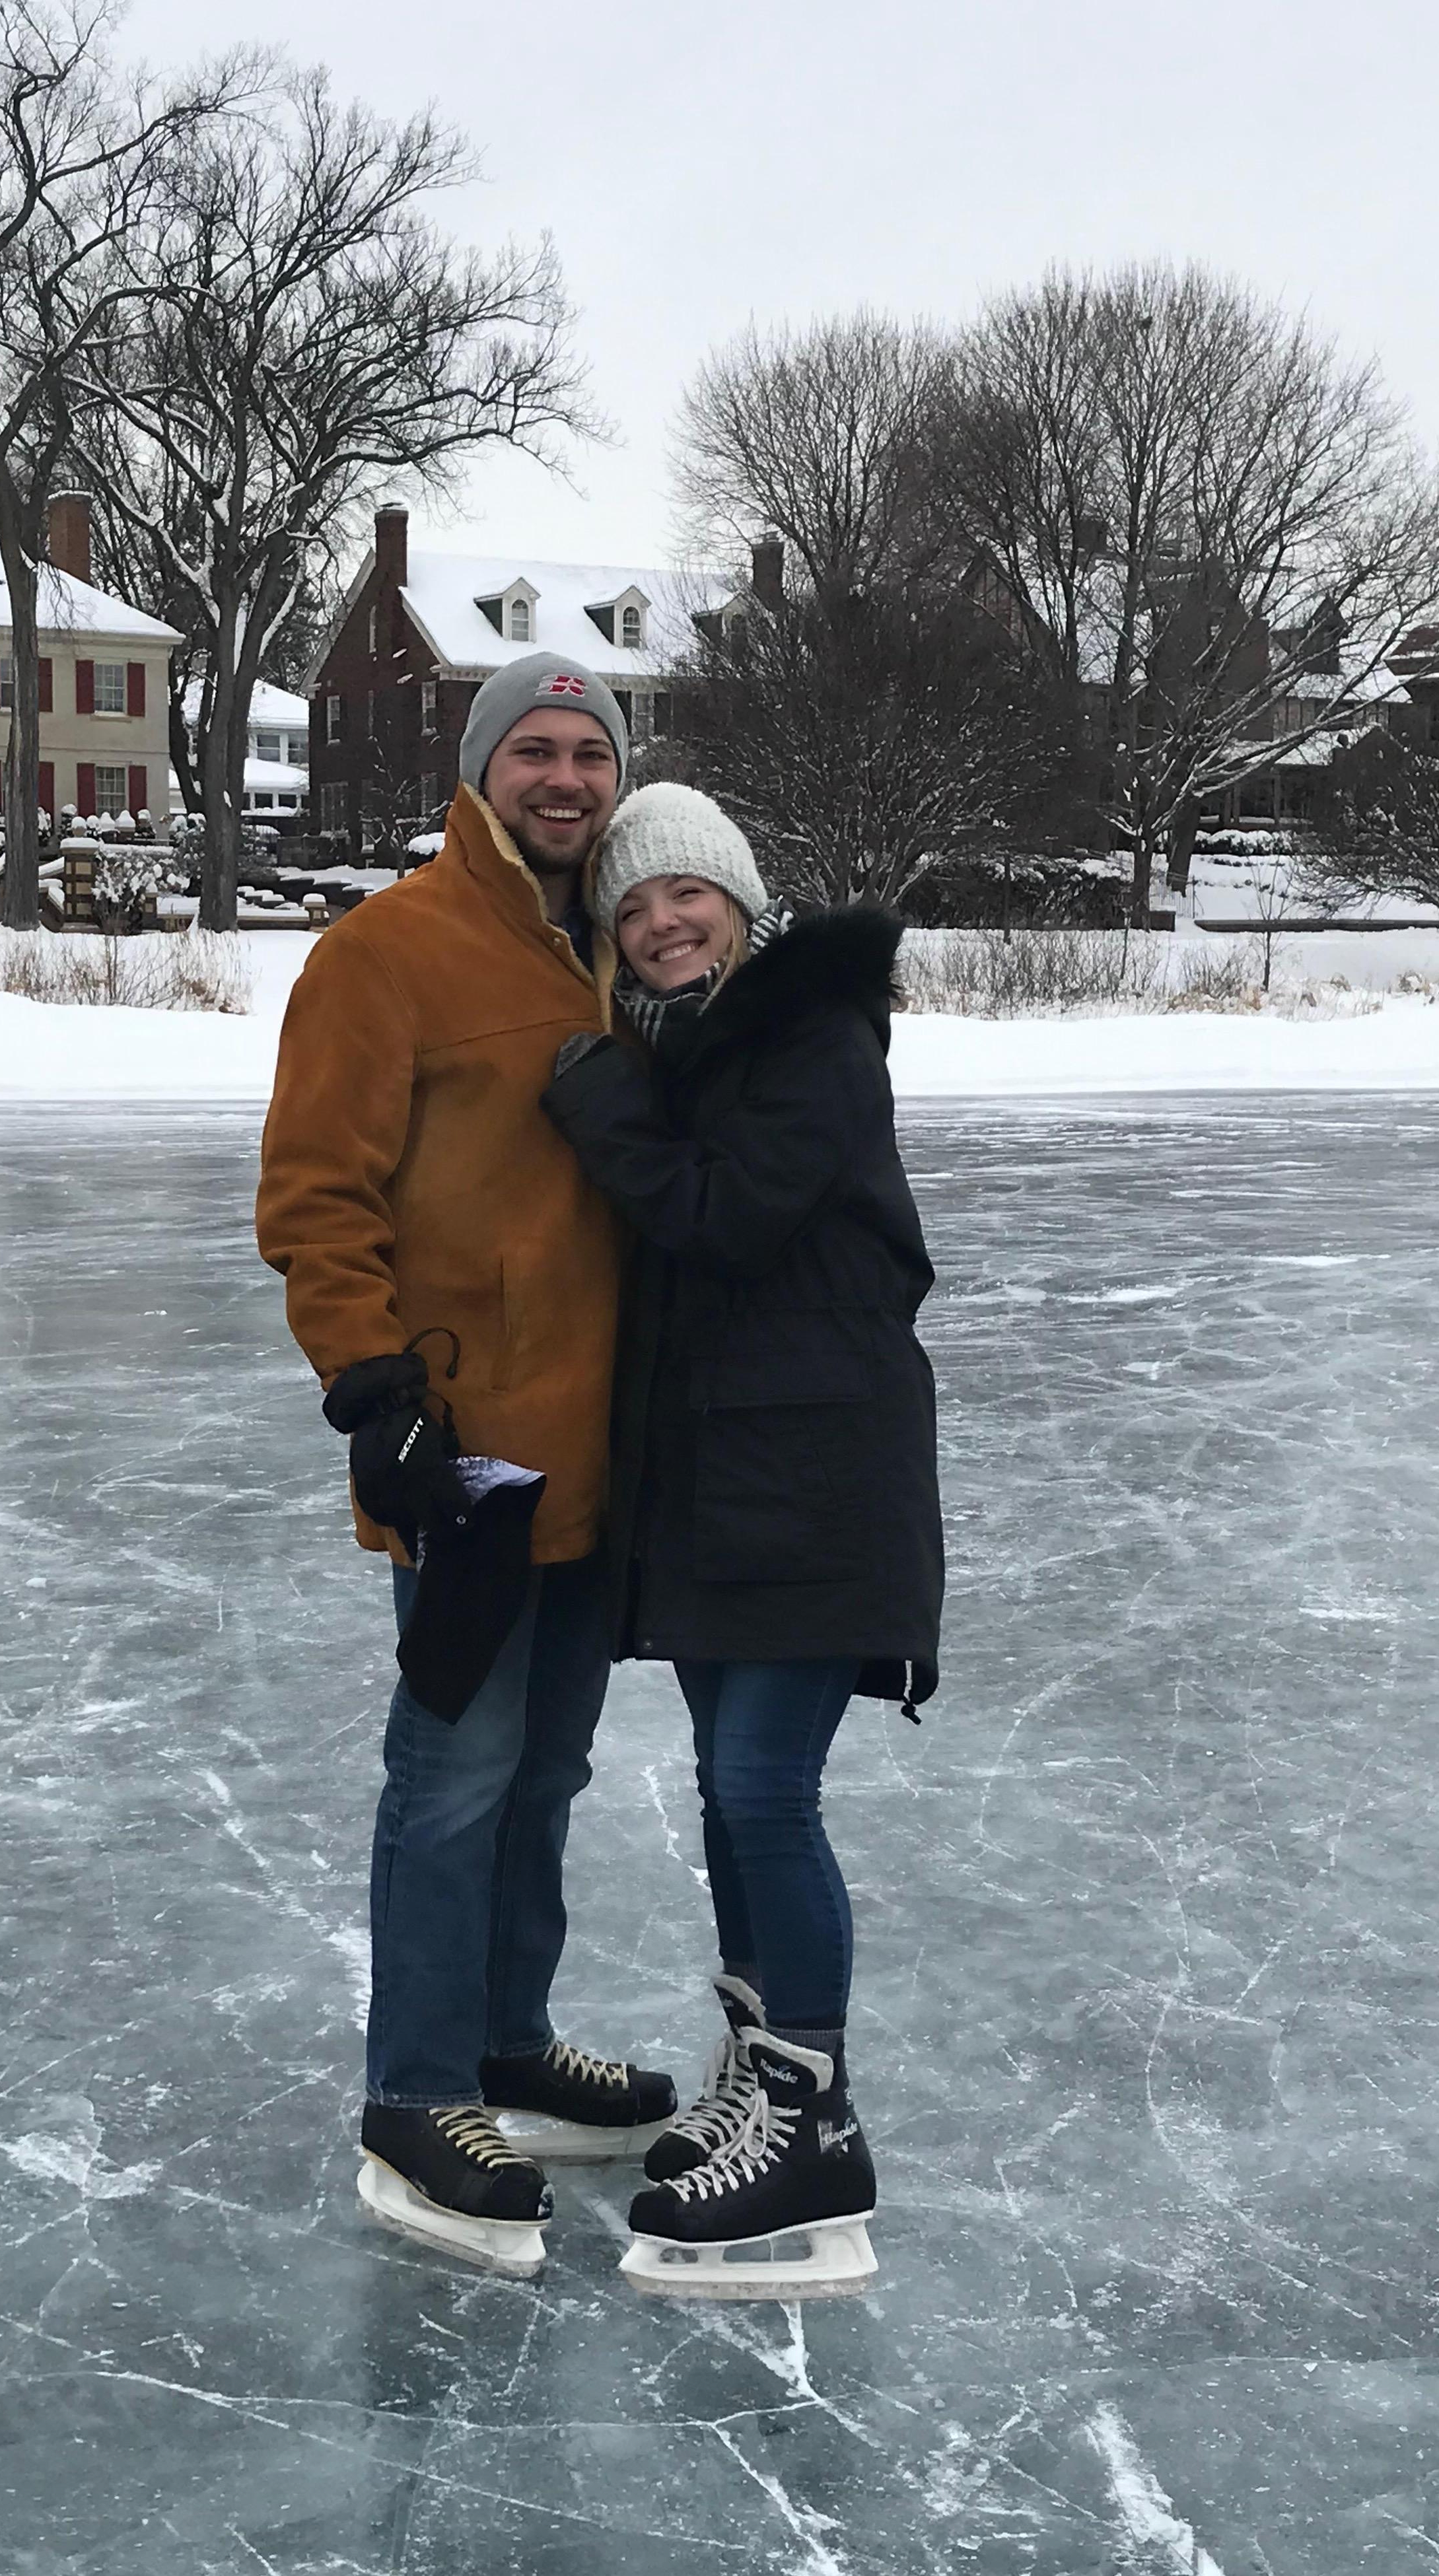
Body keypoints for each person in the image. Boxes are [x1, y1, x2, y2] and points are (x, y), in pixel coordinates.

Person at [256, 656, 678, 2280]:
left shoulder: (619, 952)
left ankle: (511, 2043)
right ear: (483, 775)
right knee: (452, 1782)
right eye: (536, 753)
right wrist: (374, 1393)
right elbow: (315, 1195)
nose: (565, 779)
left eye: (590, 754)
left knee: (548, 1775)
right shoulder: (388, 954)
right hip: (469, 1461)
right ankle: (419, 2092)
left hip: (604, 1448)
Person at [542, 784, 943, 2300]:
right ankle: (760, 2075)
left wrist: (599, 1109)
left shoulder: (810, 1036)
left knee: (767, 1790)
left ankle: (814, 2116)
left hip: (815, 1478)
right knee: (730, 1796)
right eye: (633, 908)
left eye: (686, 895)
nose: (660, 923)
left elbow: (719, 1218)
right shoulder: (701, 1047)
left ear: (743, 901)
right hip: (730, 1486)